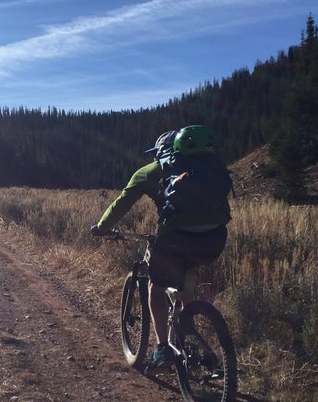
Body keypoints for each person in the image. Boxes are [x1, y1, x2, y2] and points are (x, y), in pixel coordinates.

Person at [91, 125, 231, 369]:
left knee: (156, 288)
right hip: (215, 238)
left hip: (176, 238)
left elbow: (121, 204)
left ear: (161, 152)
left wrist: (102, 228)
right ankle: (189, 327)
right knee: (188, 273)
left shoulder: (149, 171)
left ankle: (162, 348)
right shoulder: (209, 166)